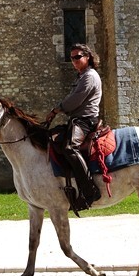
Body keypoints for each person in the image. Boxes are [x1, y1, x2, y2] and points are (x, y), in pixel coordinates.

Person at [45, 43, 102, 208]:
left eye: (78, 57)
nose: (74, 60)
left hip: (85, 120)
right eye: (72, 58)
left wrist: (57, 109)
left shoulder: (90, 76)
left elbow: (76, 99)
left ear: (88, 57)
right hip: (77, 119)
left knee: (70, 148)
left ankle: (90, 189)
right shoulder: (82, 76)